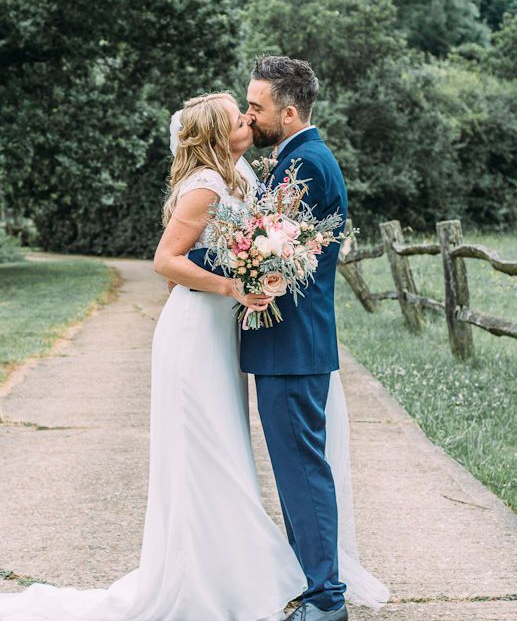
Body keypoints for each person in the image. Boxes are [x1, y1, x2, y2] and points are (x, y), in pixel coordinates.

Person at [0, 92, 309, 620]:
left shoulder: (240, 176)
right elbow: (165, 261)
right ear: (217, 134)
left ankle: (233, 571)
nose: (247, 119)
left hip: (218, 335)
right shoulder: (207, 185)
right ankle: (197, 583)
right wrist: (233, 287)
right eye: (239, 117)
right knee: (200, 450)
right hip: (192, 335)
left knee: (227, 448)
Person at [188, 55, 352, 621]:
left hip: (292, 345)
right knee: (295, 468)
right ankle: (311, 582)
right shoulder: (293, 159)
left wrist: (187, 254)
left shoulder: (304, 165)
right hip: (289, 345)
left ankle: (327, 600)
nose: (249, 116)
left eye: (255, 107)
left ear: (287, 111)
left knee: (301, 470)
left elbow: (263, 249)